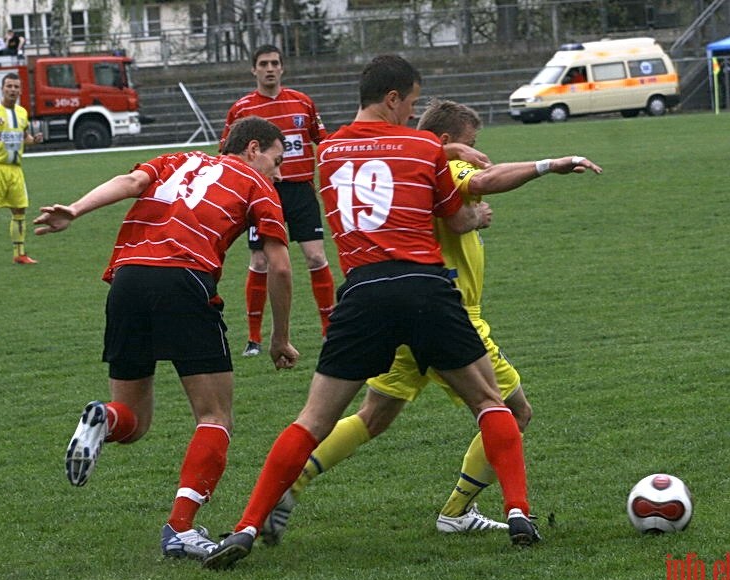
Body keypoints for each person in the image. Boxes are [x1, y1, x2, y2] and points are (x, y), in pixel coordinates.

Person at [203, 55, 537, 571]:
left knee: (314, 418)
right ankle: (518, 513)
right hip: (426, 288)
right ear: (394, 99)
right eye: (408, 102)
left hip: (362, 293)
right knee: (492, 403)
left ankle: (247, 526)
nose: (409, 114)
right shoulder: (424, 146)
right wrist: (452, 155)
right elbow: (456, 214)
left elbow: (379, 151)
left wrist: (444, 146)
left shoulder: (329, 149)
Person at [258, 99, 603, 545]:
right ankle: (459, 510)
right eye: (471, 143)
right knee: (513, 411)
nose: (478, 151)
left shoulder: (410, 164)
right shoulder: (445, 167)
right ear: (443, 141)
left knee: (374, 415)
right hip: (449, 315)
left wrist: (457, 158)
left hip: (399, 312)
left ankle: (291, 484)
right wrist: (548, 164)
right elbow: (484, 180)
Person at [32, 116, 301, 561]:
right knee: (215, 416)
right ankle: (180, 528)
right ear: (253, 149)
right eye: (277, 159)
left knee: (132, 422)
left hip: (127, 279)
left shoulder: (177, 159)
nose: (279, 170)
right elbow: (282, 266)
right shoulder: (256, 183)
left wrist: (75, 210)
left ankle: (102, 416)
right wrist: (280, 337)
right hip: (184, 280)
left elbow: (130, 179)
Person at [218, 44, 335, 357]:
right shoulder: (241, 109)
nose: (269, 68)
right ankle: (254, 340)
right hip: (259, 191)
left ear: (282, 68)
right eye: (263, 64)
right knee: (259, 261)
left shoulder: (302, 103)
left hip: (299, 190)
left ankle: (329, 331)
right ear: (253, 70)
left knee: (315, 257)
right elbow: (226, 154)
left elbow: (323, 143)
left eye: (274, 63)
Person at [0, 72, 43, 268]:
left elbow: (24, 137)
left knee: (20, 209)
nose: (12, 90)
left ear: (20, 90)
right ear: (2, 88)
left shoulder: (21, 113)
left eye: (16, 87)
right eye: (9, 86)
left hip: (15, 169)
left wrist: (33, 140)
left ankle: (19, 254)